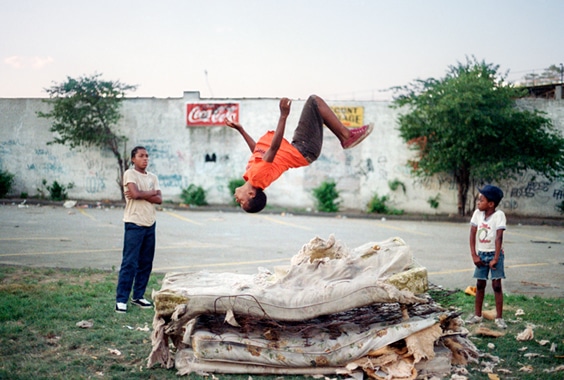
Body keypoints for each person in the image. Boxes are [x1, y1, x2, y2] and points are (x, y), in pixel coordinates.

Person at [225, 94, 373, 213]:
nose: (238, 200)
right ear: (251, 194)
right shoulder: (258, 177)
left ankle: (345, 137)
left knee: (316, 111)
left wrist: (241, 130)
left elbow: (257, 150)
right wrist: (283, 116)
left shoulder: (252, 175)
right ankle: (346, 137)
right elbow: (273, 148)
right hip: (304, 149)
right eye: (242, 202)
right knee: (314, 101)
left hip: (301, 148)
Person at [115, 146, 162, 313]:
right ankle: (121, 299)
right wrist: (151, 193)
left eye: (147, 156)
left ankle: (138, 296)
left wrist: (144, 194)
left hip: (150, 223)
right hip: (134, 223)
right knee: (130, 262)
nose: (145, 159)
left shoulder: (153, 177)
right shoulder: (130, 174)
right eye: (141, 156)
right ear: (133, 159)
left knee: (146, 263)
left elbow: (159, 199)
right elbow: (134, 194)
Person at [465, 185, 507, 329]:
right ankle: (477, 315)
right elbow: (472, 234)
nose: (478, 203)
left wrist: (495, 258)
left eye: (481, 200)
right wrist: (474, 255)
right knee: (480, 284)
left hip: (496, 255)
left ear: (491, 204)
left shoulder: (499, 215)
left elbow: (499, 237)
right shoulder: (477, 214)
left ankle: (499, 317)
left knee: (496, 285)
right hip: (481, 255)